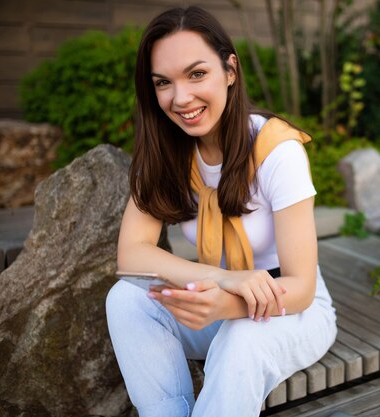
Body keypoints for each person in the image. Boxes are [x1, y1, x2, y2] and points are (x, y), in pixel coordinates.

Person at [105, 5, 337, 417]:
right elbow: (133, 255)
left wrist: (228, 303)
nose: (181, 98)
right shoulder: (167, 152)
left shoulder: (276, 150)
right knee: (126, 300)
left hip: (293, 309)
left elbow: (300, 286)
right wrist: (226, 282)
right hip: (221, 296)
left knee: (242, 337)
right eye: (163, 83)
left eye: (197, 74)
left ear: (230, 70)